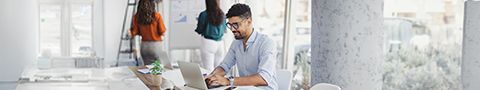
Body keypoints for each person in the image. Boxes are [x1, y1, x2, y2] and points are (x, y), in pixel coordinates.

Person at [205, 3, 278, 90]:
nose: (232, 29)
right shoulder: (236, 43)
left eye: (235, 24)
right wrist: (212, 77)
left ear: (249, 22)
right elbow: (224, 66)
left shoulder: (267, 43)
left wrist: (228, 81)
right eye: (230, 25)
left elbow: (263, 78)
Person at [130, 0, 167, 65]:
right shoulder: (157, 16)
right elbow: (162, 31)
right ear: (152, 4)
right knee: (158, 70)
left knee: (147, 70)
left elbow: (135, 32)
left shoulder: (136, 17)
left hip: (144, 46)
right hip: (155, 46)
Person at [194, 0, 227, 72]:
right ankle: (217, 83)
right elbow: (225, 30)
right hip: (220, 44)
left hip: (208, 43)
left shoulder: (204, 14)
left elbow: (199, 29)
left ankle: (209, 83)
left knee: (208, 70)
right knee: (218, 70)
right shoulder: (222, 14)